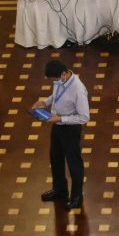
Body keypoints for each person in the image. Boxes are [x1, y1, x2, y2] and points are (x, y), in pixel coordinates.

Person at [35, 58, 89, 211]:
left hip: (70, 127)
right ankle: (60, 190)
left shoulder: (78, 90)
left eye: (56, 79)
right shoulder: (60, 80)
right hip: (57, 124)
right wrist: (45, 102)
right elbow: (57, 94)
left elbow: (84, 117)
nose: (55, 82)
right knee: (55, 158)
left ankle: (77, 197)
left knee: (74, 163)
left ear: (64, 74)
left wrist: (60, 119)